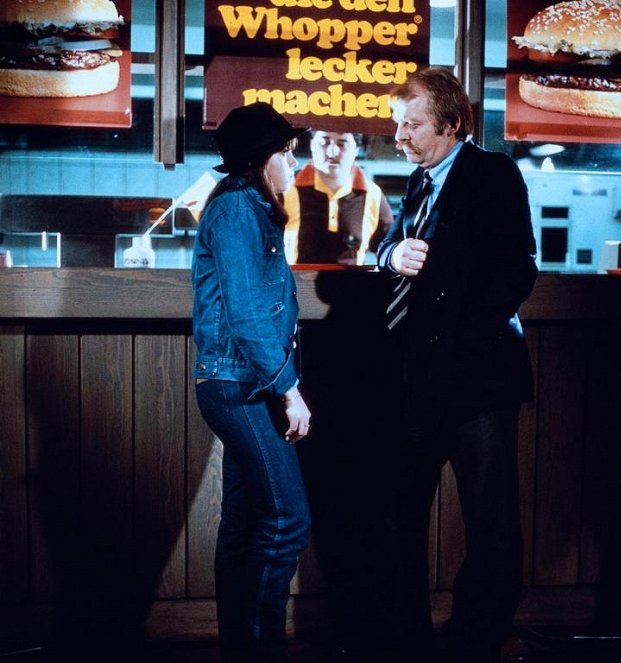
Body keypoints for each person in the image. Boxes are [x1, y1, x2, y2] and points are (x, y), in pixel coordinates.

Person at [376, 67, 538, 663]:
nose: (399, 135)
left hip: (478, 383)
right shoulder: (419, 183)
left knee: (490, 524)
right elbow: (384, 250)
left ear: (450, 123)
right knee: (399, 514)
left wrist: (453, 348)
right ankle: (406, 639)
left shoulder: (493, 174)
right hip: (420, 381)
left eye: (411, 123)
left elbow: (516, 271)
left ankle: (477, 640)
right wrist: (393, 254)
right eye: (398, 123)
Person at [191, 102, 312, 663]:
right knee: (287, 520)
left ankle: (241, 647)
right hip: (239, 385)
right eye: (289, 152)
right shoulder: (239, 208)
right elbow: (245, 315)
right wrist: (290, 389)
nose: (296, 162)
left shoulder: (247, 206)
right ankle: (260, 650)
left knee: (244, 522)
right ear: (264, 158)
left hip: (242, 383)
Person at [282, 130, 393, 265]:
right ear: (311, 144)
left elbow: (389, 249)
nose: (332, 152)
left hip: (353, 284)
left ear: (356, 149)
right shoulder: (286, 189)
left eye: (342, 144)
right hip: (298, 283)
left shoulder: (372, 194)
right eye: (324, 142)